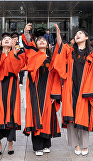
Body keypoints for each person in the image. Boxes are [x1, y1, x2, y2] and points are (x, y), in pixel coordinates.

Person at [52, 21, 93, 156]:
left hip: (85, 89)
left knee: (84, 117)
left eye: (80, 33)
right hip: (70, 88)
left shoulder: (91, 54)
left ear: (86, 38)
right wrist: (59, 35)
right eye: (76, 34)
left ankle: (84, 145)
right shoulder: (70, 52)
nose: (77, 35)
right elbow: (60, 47)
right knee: (71, 118)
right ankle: (76, 144)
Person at [21, 23, 62, 156]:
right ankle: (37, 146)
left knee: (48, 117)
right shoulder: (33, 55)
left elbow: (56, 77)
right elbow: (28, 45)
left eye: (44, 40)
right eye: (39, 41)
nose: (42, 41)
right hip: (35, 91)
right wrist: (26, 32)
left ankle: (46, 144)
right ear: (36, 45)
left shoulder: (51, 59)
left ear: (48, 43)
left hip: (48, 92)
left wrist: (54, 95)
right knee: (36, 116)